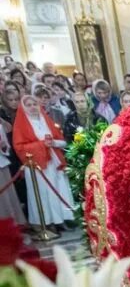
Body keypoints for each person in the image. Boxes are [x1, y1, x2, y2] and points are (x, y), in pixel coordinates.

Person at [13, 93, 75, 230]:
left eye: (34, 104)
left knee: (59, 189)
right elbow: (19, 147)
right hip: (37, 165)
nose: (32, 107)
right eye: (28, 105)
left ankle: (63, 219)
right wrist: (41, 145)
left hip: (54, 161)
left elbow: (62, 141)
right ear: (23, 108)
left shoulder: (46, 120)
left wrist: (53, 142)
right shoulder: (20, 126)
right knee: (43, 193)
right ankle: (48, 222)